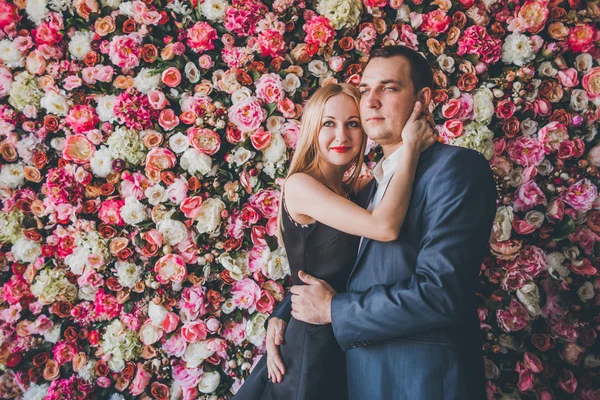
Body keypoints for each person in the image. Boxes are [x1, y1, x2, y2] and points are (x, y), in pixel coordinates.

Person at [266, 46, 497, 400]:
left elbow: (441, 293)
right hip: (354, 380)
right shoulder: (367, 189)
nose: (371, 102)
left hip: (421, 383)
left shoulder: (455, 168)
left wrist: (331, 309)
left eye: (388, 88)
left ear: (422, 98)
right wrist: (286, 312)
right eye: (364, 90)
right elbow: (337, 265)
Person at [233, 81, 436, 400]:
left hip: (347, 340)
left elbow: (320, 267)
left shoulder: (353, 193)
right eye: (329, 123)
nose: (341, 136)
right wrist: (410, 147)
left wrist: (280, 312)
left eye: (352, 123)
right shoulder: (300, 185)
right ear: (313, 128)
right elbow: (384, 229)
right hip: (311, 349)